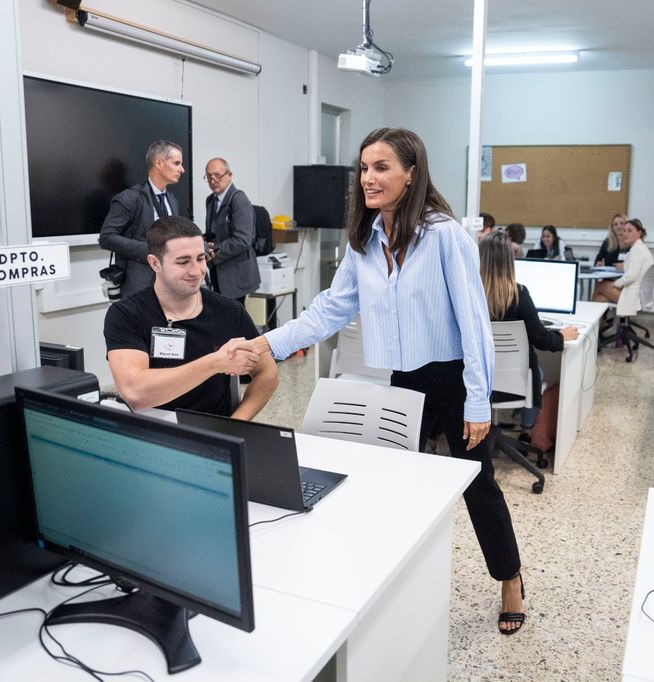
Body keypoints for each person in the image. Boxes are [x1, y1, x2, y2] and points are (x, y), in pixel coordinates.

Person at [234, 127, 528, 634]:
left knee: (479, 486)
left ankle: (510, 580)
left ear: (412, 174)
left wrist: (478, 400)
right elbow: (330, 309)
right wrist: (266, 344)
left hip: (454, 378)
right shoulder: (364, 239)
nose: (369, 178)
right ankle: (398, 584)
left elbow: (474, 320)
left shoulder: (445, 236)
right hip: (403, 379)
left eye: (382, 167)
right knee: (399, 484)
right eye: (364, 169)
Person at [103, 215, 277, 418]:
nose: (196, 271)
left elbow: (267, 372)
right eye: (183, 262)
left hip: (214, 433)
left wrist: (237, 422)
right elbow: (135, 392)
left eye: (201, 258)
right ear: (155, 263)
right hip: (152, 431)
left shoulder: (229, 311)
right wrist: (215, 363)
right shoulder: (126, 314)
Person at [481, 231, 578, 436]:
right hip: (515, 376)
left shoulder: (470, 293)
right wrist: (561, 336)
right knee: (538, 372)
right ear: (509, 261)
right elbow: (540, 339)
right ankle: (526, 433)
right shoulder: (519, 294)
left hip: (479, 374)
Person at [99, 140, 184, 299]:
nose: (182, 169)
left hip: (169, 285)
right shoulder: (128, 198)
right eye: (177, 163)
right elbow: (106, 238)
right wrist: (151, 251)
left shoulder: (173, 200)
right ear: (159, 163)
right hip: (138, 287)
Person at [203, 157, 260, 304]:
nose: (213, 180)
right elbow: (212, 233)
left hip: (235, 275)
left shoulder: (238, 199)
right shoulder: (210, 200)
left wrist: (213, 251)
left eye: (217, 175)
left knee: (234, 319)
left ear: (229, 175)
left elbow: (243, 240)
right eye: (209, 176)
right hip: (217, 270)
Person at [592, 218, 654, 316]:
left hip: (633, 296)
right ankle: (599, 327)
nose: (625, 233)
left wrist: (615, 284)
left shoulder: (637, 250)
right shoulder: (640, 248)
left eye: (629, 231)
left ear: (639, 233)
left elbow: (631, 276)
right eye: (624, 231)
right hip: (639, 294)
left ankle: (595, 327)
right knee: (599, 298)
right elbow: (632, 269)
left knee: (600, 286)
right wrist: (624, 266)